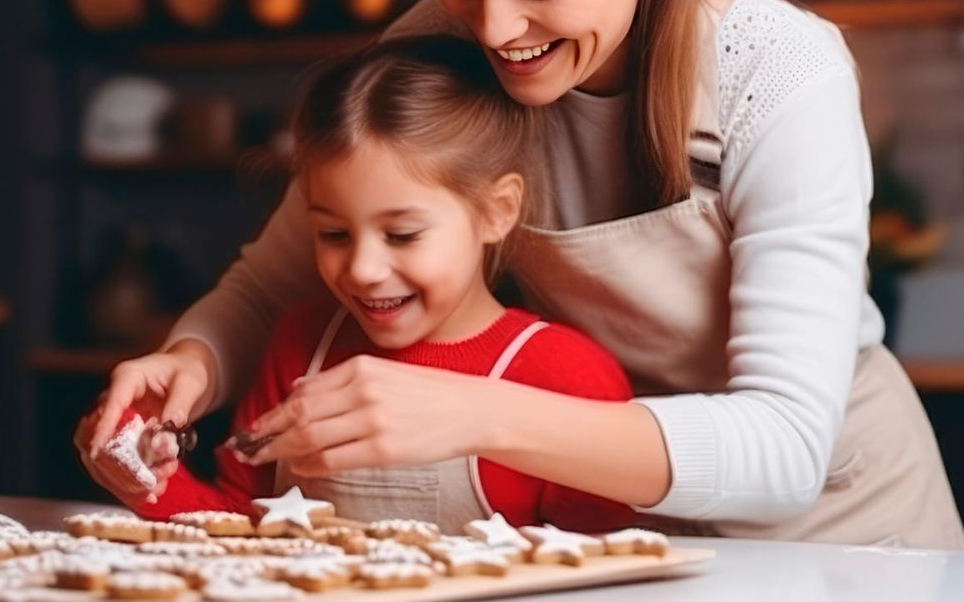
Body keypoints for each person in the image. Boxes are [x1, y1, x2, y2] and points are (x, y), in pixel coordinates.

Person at [80, 0, 964, 549]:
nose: (495, 28)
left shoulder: (776, 68)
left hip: (848, 543)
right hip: (629, 539)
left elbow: (782, 451)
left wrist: (474, 411)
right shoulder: (435, 37)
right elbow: (276, 279)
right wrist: (189, 360)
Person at [84, 37, 635, 533]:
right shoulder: (300, 345)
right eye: (333, 233)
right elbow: (238, 530)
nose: (363, 269)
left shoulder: (566, 377)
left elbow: (607, 575)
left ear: (497, 211)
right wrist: (148, 482)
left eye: (401, 234)